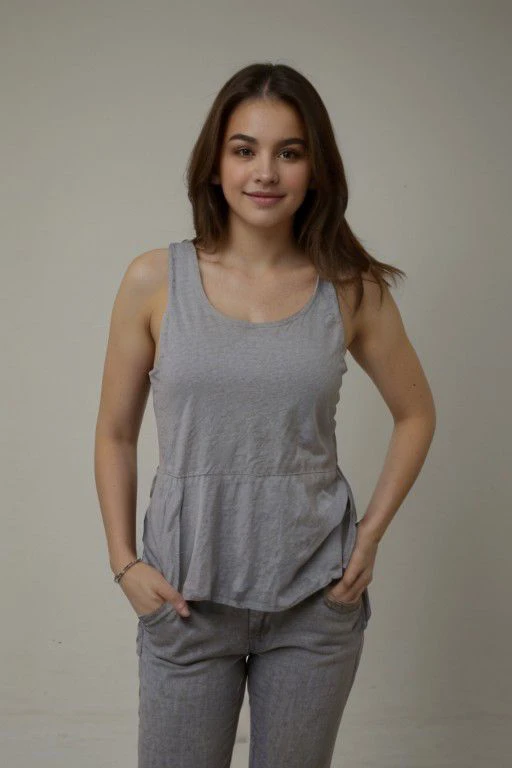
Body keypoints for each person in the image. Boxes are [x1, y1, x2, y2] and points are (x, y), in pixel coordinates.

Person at [94, 62, 436, 768]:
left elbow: (416, 415)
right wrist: (124, 562)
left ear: (316, 168)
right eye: (244, 149)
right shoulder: (153, 280)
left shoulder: (351, 289)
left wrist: (367, 539)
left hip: (315, 599)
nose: (265, 172)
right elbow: (115, 433)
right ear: (215, 163)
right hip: (185, 598)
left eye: (290, 151)